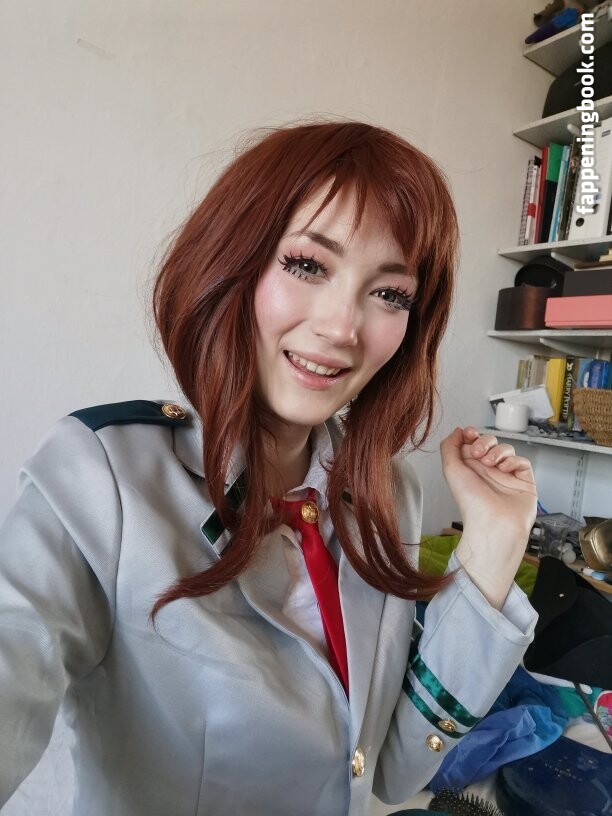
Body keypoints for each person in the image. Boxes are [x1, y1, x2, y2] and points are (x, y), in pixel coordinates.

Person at [0, 121, 537, 816]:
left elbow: (390, 769)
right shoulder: (104, 475)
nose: (342, 328)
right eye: (308, 265)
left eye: (390, 294)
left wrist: (493, 548)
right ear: (234, 263)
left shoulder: (385, 492)